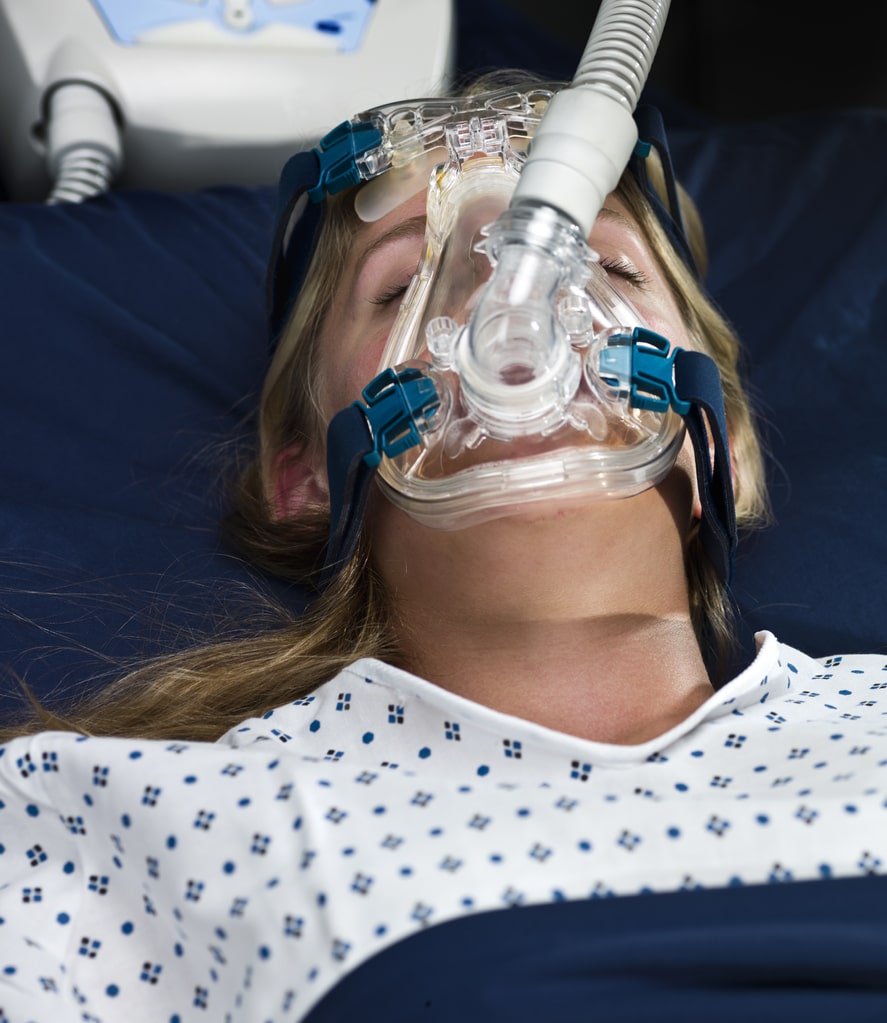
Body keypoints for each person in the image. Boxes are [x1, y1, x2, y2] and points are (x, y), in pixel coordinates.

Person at [0, 75, 885, 1021]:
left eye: (610, 269)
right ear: (306, 478)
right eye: (397, 287)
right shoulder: (119, 819)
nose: (518, 298)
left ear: (727, 450)